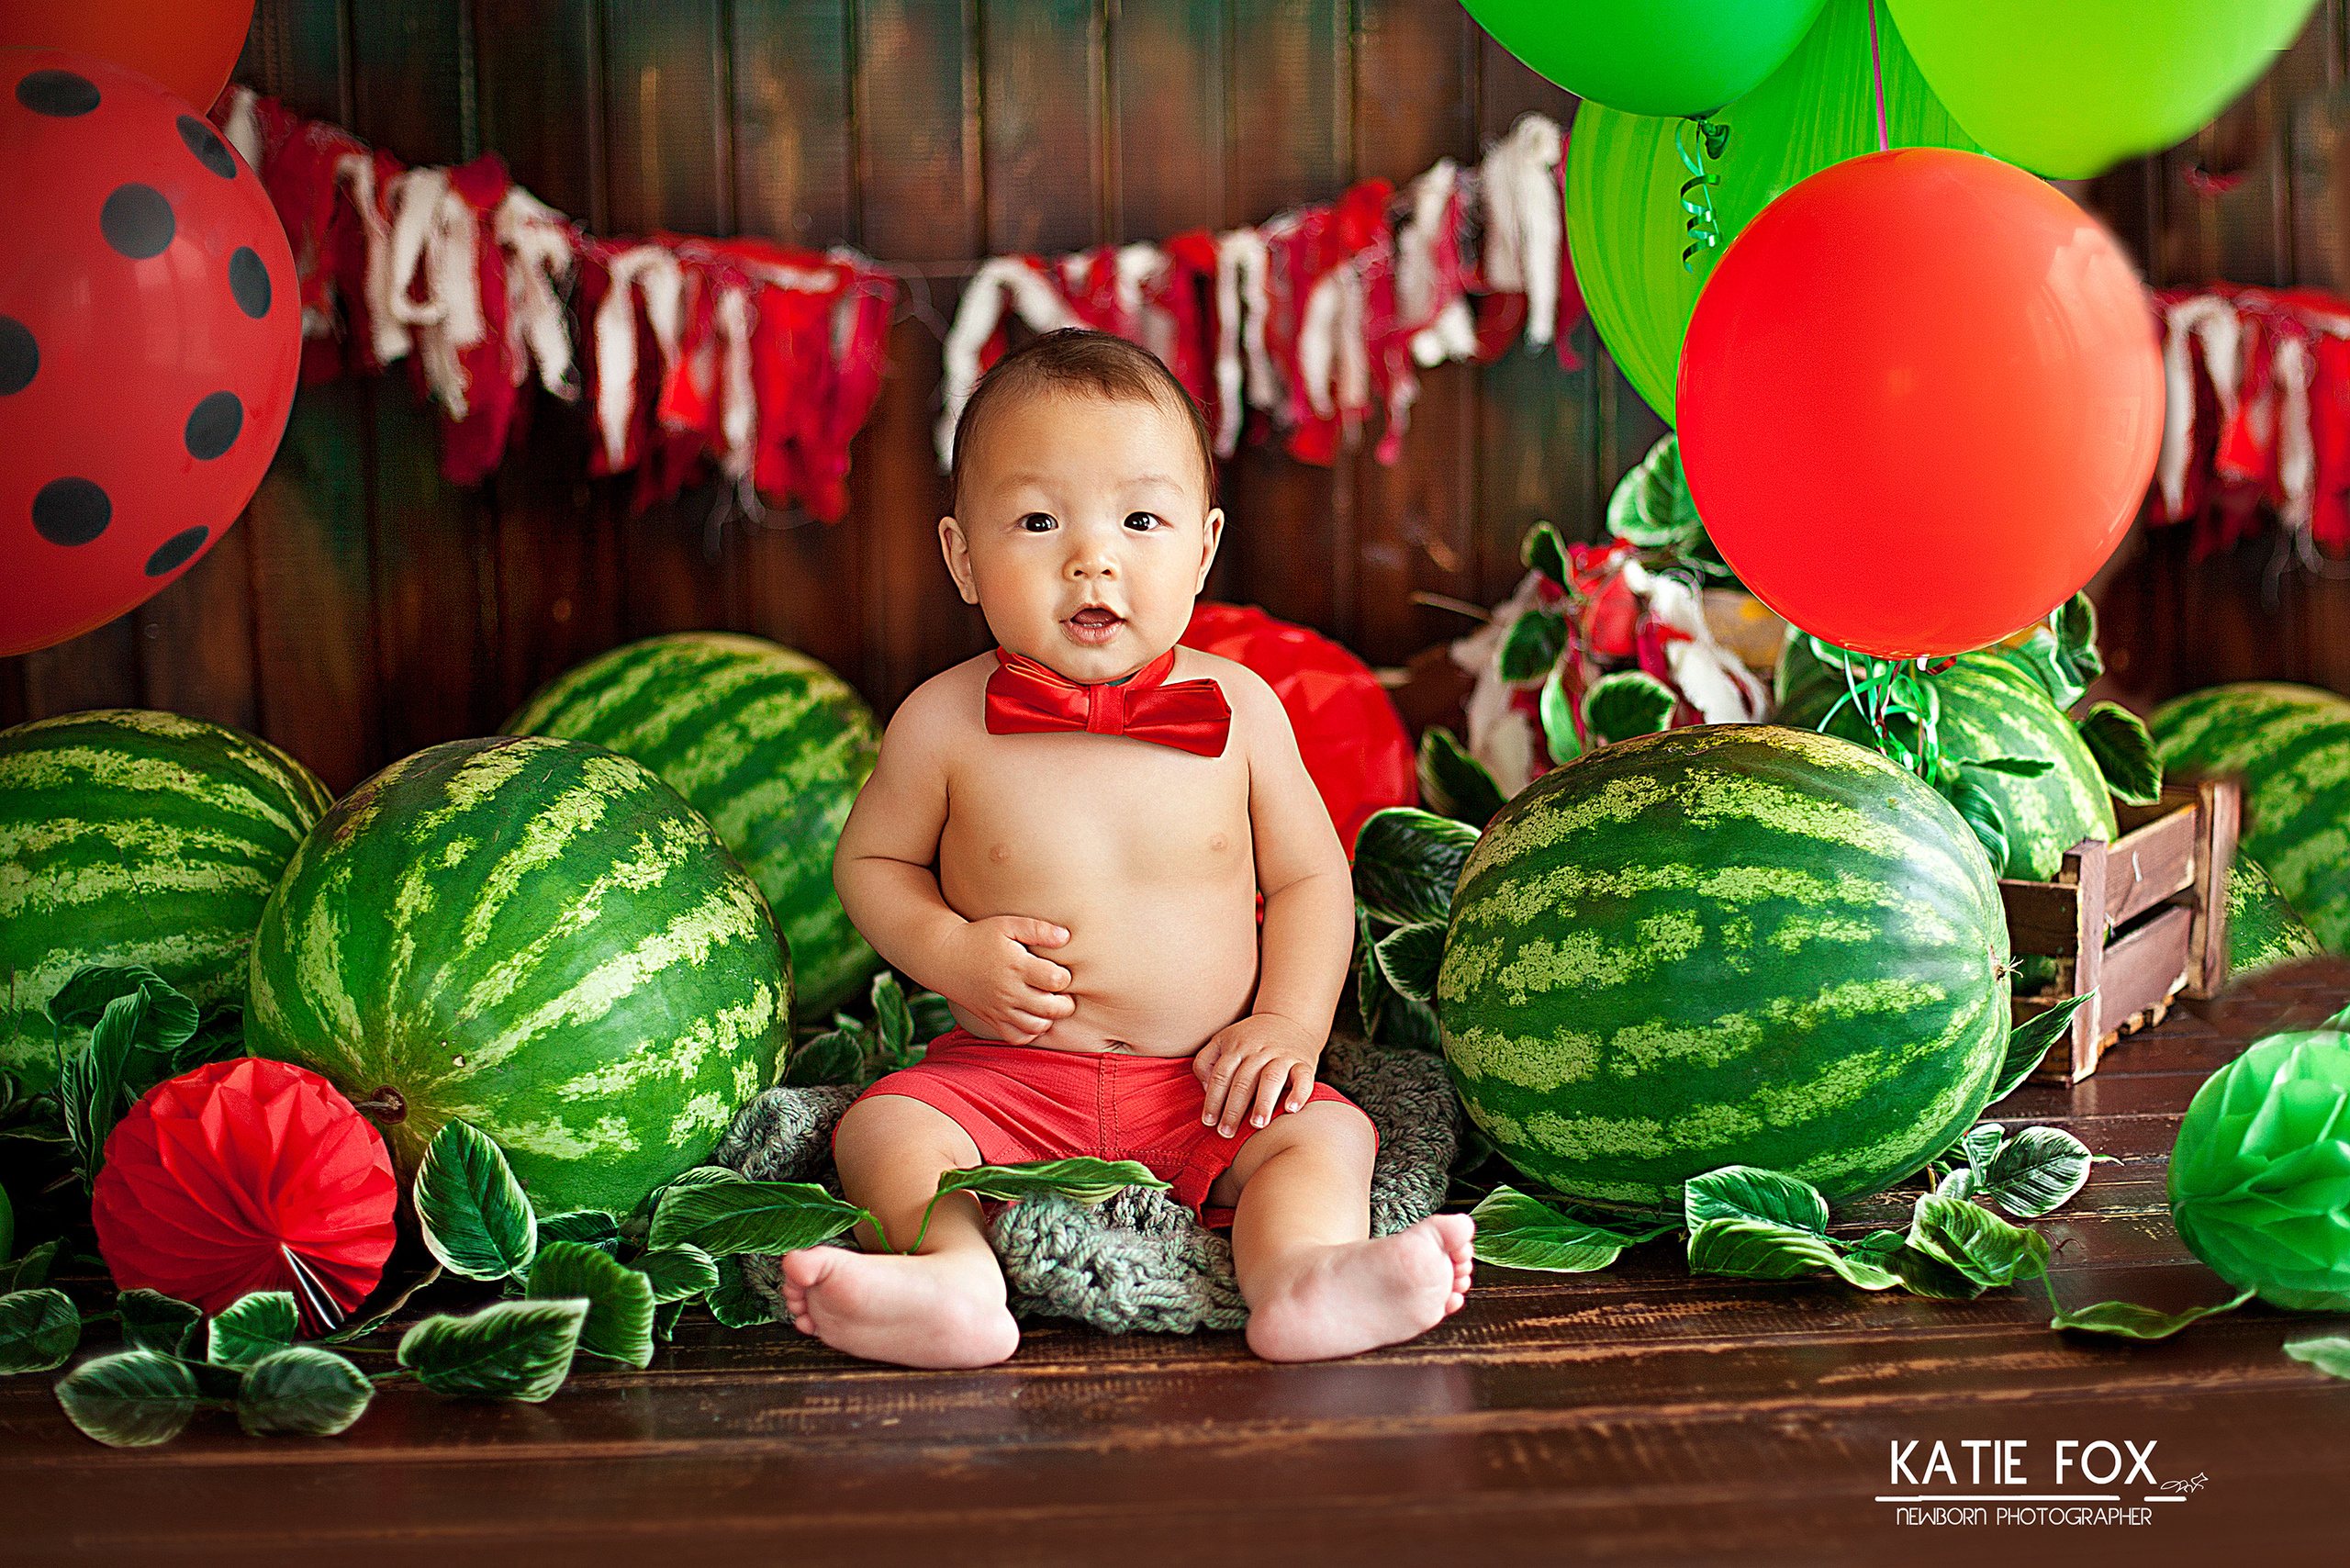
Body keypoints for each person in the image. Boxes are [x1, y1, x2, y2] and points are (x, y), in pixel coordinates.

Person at [780, 329, 1475, 1368]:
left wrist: (1287, 1023)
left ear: (1200, 548)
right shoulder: (940, 720)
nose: (1090, 557)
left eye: (1139, 519)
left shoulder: (1240, 711)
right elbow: (870, 866)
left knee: (1329, 1134)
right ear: (962, 557)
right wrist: (951, 954)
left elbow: (1307, 878)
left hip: (1201, 1082)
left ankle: (1299, 1276)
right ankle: (951, 1280)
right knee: (881, 1128)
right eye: (1036, 520)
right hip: (1003, 1078)